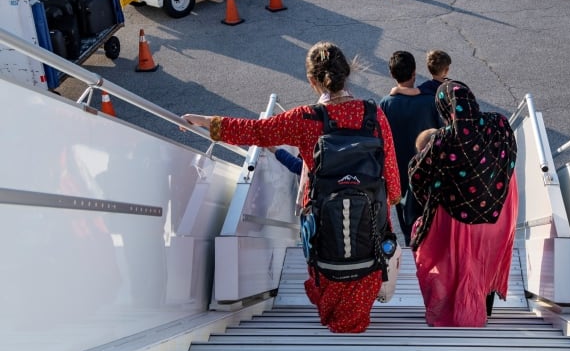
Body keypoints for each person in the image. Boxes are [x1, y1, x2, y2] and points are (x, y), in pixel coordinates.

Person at [183, 41, 402, 333]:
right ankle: (352, 336)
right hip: (370, 224)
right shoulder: (375, 115)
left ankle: (335, 330)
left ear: (312, 80)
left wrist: (208, 122)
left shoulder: (304, 119)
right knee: (362, 277)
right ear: (346, 73)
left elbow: (256, 131)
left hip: (325, 222)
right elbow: (394, 184)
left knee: (330, 270)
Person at [408, 80, 518, 327]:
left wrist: (429, 200)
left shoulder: (445, 138)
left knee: (460, 265)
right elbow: (511, 155)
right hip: (499, 211)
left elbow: (417, 173)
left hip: (460, 219)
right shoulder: (499, 123)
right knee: (486, 260)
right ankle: (485, 310)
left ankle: (462, 313)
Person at [379, 51, 441, 246]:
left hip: (399, 172)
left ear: (392, 74)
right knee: (431, 212)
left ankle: (412, 244)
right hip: (428, 169)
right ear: (414, 72)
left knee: (407, 216)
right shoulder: (430, 102)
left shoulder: (386, 104)